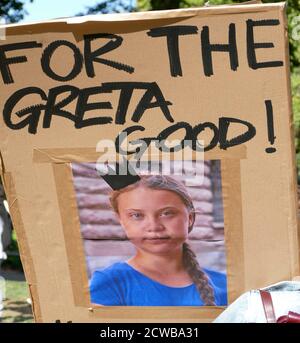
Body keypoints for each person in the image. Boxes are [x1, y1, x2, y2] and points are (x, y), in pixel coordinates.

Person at [90, 174, 227, 306]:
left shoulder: (225, 284)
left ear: (190, 218)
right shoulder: (110, 283)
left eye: (167, 213)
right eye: (137, 215)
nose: (154, 226)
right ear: (122, 221)